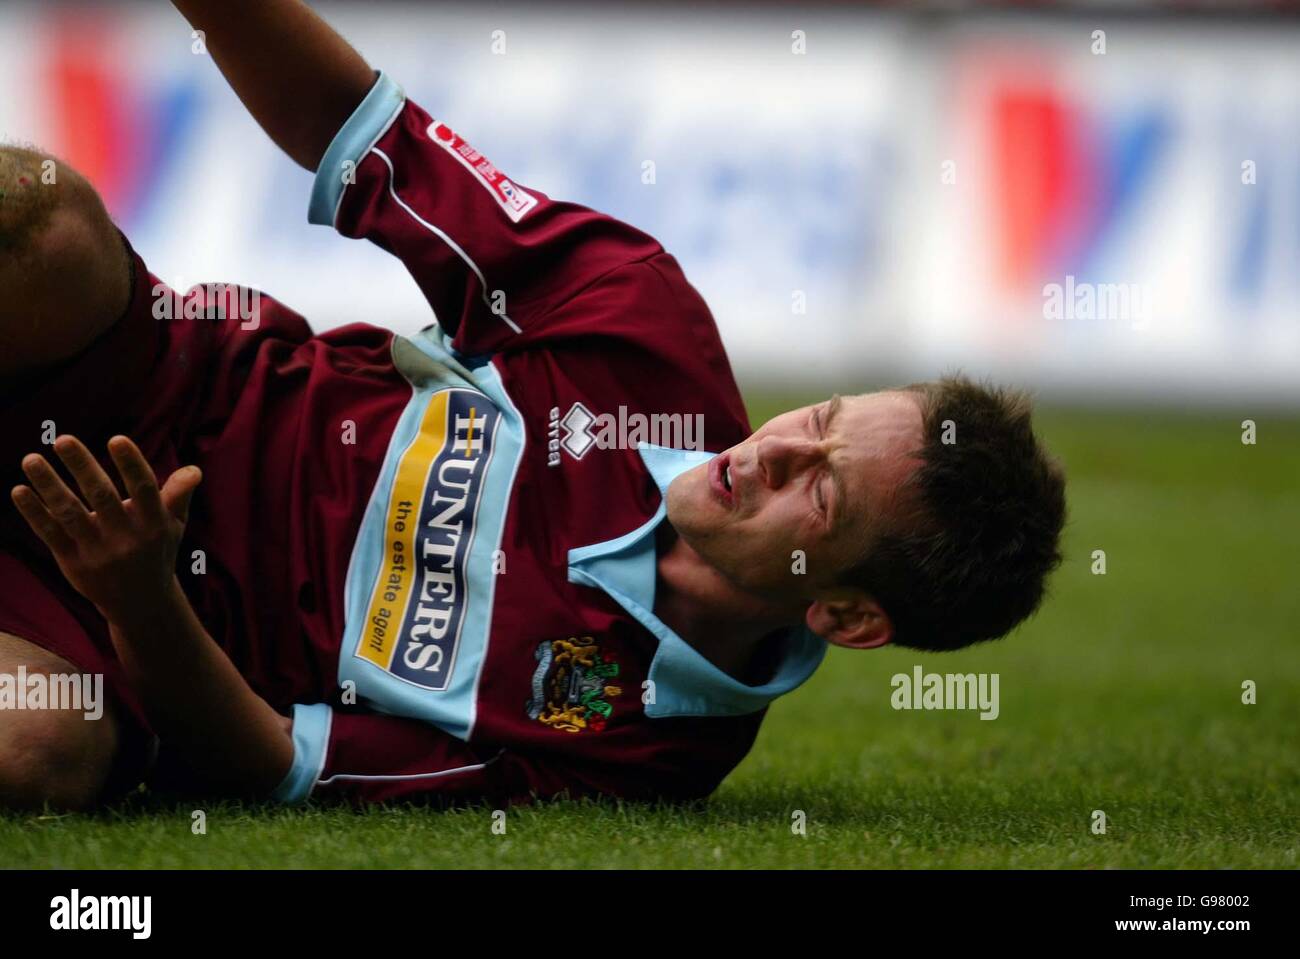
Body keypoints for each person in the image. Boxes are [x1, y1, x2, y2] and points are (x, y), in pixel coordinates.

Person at [0, 0, 1066, 810]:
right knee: (44, 228)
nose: (776, 445)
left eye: (821, 490)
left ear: (845, 615)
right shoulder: (642, 330)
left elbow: (268, 758)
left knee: (41, 744)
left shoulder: (638, 745)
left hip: (111, 629)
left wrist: (139, 592)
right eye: (820, 418)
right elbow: (371, 144)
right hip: (164, 391)